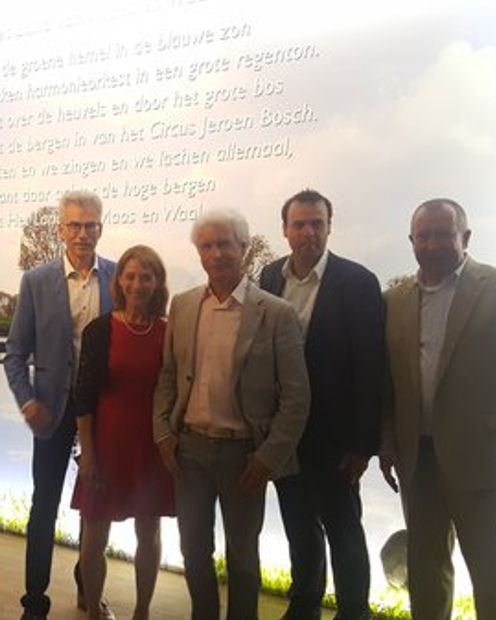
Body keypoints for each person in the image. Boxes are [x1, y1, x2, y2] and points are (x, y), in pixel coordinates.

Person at [379, 199, 496, 620]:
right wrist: (386, 444)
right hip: (417, 459)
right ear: (412, 241)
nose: (433, 244)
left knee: (492, 571)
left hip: (486, 459)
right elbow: (387, 383)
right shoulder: (393, 300)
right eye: (424, 236)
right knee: (426, 567)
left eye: (444, 234)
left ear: (466, 238)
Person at [153, 208, 310, 620]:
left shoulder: (276, 314)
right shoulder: (184, 307)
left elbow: (297, 398)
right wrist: (163, 434)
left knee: (242, 557)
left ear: (244, 247)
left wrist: (267, 458)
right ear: (199, 253)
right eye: (207, 246)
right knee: (192, 549)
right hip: (189, 451)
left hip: (245, 457)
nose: (216, 253)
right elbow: (167, 376)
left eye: (225, 243)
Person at [258, 190, 384, 620]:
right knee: (298, 528)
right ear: (285, 230)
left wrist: (362, 445)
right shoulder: (270, 276)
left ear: (329, 227)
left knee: (344, 532)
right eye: (299, 224)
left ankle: (354, 613)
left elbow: (372, 368)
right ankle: (303, 608)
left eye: (317, 223)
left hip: (336, 441)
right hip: (285, 435)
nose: (308, 232)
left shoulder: (358, 282)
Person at [4, 190, 116, 620]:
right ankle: (35, 603)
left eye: (90, 225)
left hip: (101, 415)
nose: (82, 233)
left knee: (94, 506)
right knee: (44, 505)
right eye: (74, 225)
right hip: (49, 413)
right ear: (60, 230)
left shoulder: (118, 277)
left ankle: (89, 588)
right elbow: (15, 354)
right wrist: (27, 400)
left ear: (100, 228)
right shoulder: (35, 281)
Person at [71, 245, 174, 620]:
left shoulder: (168, 331)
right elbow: (82, 398)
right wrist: (89, 456)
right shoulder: (101, 329)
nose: (137, 284)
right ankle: (94, 610)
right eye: (130, 276)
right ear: (120, 281)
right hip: (107, 445)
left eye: (146, 277)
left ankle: (142, 612)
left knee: (149, 532)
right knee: (95, 535)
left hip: (151, 447)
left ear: (157, 283)